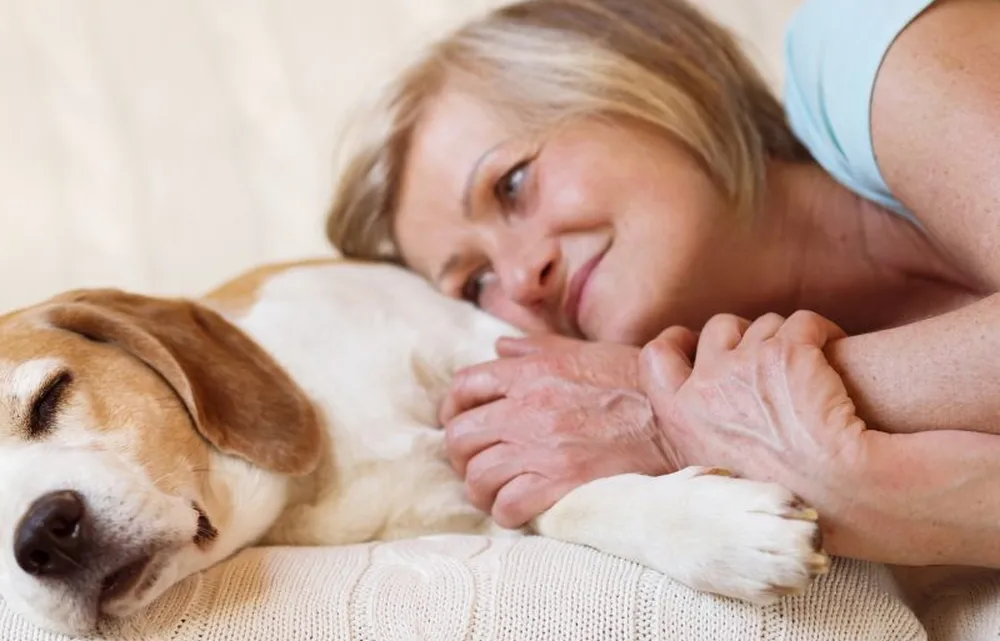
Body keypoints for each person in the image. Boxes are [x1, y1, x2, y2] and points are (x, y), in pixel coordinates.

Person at [323, 0, 1000, 569]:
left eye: (514, 184)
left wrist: (675, 413)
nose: (523, 278)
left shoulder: (864, 45)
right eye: (477, 282)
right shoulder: (783, 471)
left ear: (640, 76)